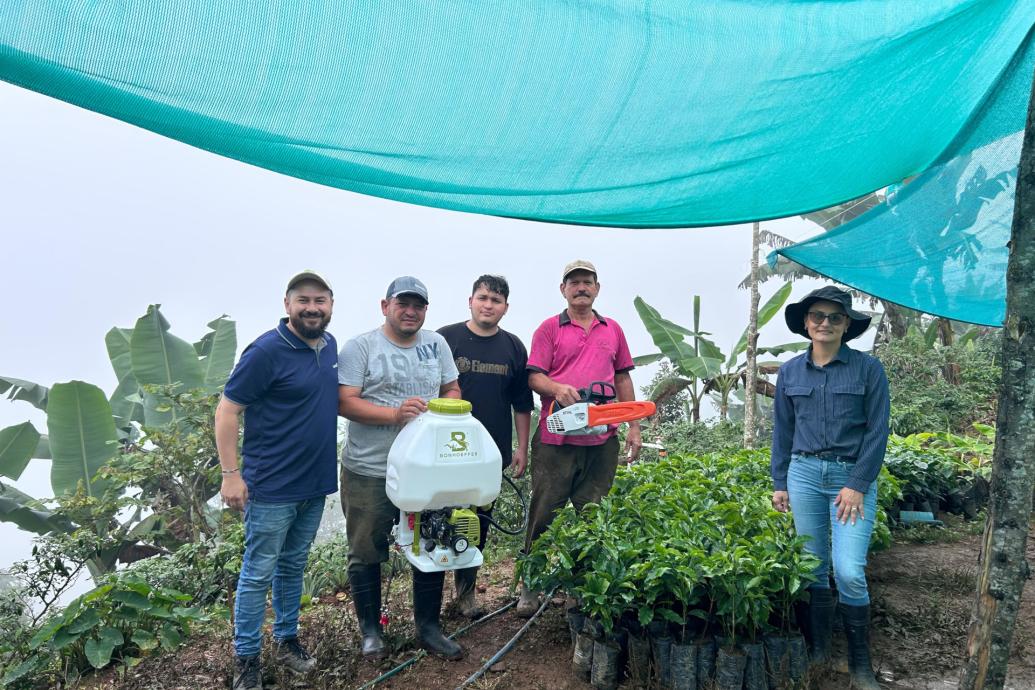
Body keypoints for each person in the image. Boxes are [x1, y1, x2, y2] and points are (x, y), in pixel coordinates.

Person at [216, 271, 339, 690]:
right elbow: (228, 410)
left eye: (319, 300)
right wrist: (231, 475)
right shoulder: (266, 351)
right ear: (287, 305)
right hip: (270, 486)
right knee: (257, 572)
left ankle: (287, 640)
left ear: (330, 305)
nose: (312, 308)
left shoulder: (329, 345)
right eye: (303, 300)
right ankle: (246, 661)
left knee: (293, 565)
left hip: (315, 483)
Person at [337, 276, 464, 660]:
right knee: (366, 549)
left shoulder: (436, 344)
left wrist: (445, 411)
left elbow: (452, 389)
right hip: (370, 468)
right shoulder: (361, 347)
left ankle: (428, 627)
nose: (411, 312)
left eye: (419, 306)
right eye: (402, 304)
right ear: (385, 306)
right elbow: (344, 401)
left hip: (427, 468)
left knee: (433, 542)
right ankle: (371, 632)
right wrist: (395, 414)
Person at [770, 286, 889, 690]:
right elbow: (783, 433)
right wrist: (779, 482)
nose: (825, 323)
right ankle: (819, 653)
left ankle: (860, 666)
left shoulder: (868, 370)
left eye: (834, 317)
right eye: (817, 316)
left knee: (849, 570)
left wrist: (857, 484)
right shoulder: (789, 372)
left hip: (850, 478)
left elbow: (877, 432)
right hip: (803, 475)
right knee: (812, 568)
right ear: (806, 323)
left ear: (846, 325)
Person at [518, 259, 641, 617]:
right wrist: (558, 387)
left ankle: (590, 585)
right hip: (557, 439)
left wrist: (633, 424)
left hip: (602, 438)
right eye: (574, 283)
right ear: (563, 290)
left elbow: (622, 379)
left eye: (587, 282)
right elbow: (534, 378)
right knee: (544, 512)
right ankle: (531, 582)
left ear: (597, 288)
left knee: (594, 514)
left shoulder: (612, 329)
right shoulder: (549, 329)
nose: (581, 288)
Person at [438, 274, 534, 618]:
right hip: (444, 454)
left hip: (490, 455)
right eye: (482, 298)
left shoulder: (513, 347)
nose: (488, 305)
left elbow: (522, 404)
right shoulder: (444, 338)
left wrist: (521, 449)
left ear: (505, 308)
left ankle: (465, 596)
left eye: (495, 301)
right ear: (470, 300)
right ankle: (432, 600)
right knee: (437, 523)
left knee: (476, 525)